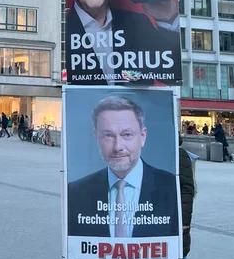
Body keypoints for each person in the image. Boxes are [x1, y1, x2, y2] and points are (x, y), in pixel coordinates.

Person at [67, 96, 179, 237]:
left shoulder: (171, 187)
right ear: (96, 136)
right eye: (108, 135)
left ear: (142, 136)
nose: (117, 147)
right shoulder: (76, 192)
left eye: (127, 135)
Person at [158, 136, 195, 259]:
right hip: (160, 216)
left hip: (176, 216)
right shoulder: (159, 154)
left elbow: (187, 190)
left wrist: (185, 220)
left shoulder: (180, 155)